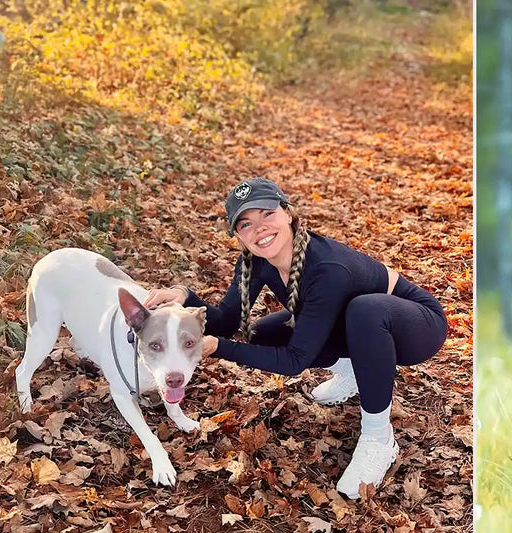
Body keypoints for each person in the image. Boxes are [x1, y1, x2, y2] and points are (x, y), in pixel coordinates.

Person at [144, 178, 448, 498]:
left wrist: (219, 348)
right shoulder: (253, 263)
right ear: (237, 234)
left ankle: (379, 439)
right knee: (265, 332)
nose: (259, 229)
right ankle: (353, 370)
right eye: (246, 223)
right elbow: (227, 321)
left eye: (267, 214)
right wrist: (182, 296)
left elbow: (294, 360)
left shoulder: (327, 267)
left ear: (288, 213)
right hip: (355, 325)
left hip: (417, 327)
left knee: (365, 310)